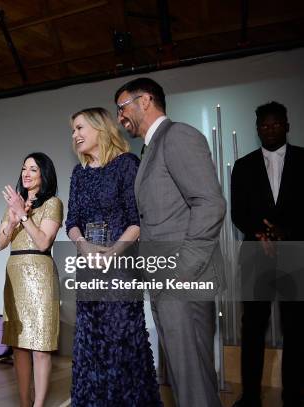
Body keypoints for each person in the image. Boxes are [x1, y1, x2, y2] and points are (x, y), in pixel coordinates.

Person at [114, 77, 226, 407]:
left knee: (194, 384)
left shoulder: (177, 136)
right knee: (185, 380)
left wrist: (181, 271)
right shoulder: (152, 147)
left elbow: (210, 204)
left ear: (145, 101)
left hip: (184, 284)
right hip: (166, 283)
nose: (120, 116)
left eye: (122, 107)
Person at [66, 107, 162, 406]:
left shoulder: (126, 165)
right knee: (90, 341)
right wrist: (84, 247)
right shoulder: (78, 174)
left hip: (120, 270)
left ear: (100, 128)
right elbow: (72, 222)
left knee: (121, 341)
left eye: (80, 127)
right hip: (89, 270)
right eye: (73, 130)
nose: (75, 135)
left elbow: (137, 220)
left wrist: (112, 253)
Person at [230, 101, 304, 407]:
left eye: (275, 123)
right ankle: (250, 397)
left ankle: (295, 396)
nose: (269, 129)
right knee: (253, 330)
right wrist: (259, 233)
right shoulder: (243, 166)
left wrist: (285, 233)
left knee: (297, 330)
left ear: (287, 125)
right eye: (264, 125)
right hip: (255, 256)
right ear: (257, 128)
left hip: (296, 255)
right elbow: (237, 212)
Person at [0, 152, 63, 407]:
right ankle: (24, 403)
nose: (26, 173)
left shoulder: (52, 203)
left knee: (40, 346)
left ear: (43, 174)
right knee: (19, 346)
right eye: (24, 168)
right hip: (15, 274)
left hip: (40, 274)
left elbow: (44, 241)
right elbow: (0, 243)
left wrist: (24, 217)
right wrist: (12, 219)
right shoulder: (13, 205)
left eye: (33, 169)